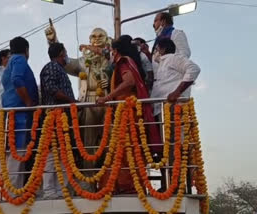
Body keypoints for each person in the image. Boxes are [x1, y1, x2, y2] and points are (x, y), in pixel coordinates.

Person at [45, 24, 112, 192]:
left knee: (110, 142)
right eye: (93, 37)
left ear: (107, 39)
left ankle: (109, 182)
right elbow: (64, 62)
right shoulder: (82, 61)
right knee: (87, 144)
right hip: (88, 102)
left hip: (108, 103)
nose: (96, 40)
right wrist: (53, 40)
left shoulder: (111, 58)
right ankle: (88, 182)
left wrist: (109, 82)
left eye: (100, 36)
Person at [97, 35, 162, 194]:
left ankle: (126, 186)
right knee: (127, 149)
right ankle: (126, 185)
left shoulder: (123, 62)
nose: (111, 54)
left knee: (126, 149)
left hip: (127, 112)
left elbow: (129, 81)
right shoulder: (131, 61)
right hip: (127, 111)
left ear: (116, 51)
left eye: (112, 50)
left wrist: (107, 97)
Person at [1, 36, 39, 191]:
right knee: (17, 155)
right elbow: (17, 80)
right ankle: (13, 194)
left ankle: (16, 192)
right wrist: (28, 102)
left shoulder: (10, 63)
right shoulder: (19, 60)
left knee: (16, 155)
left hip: (14, 114)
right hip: (20, 115)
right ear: (27, 50)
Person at [40, 43, 76, 199]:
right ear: (61, 53)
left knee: (62, 153)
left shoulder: (60, 69)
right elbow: (51, 89)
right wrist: (72, 101)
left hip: (63, 116)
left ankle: (61, 190)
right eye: (66, 52)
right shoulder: (51, 67)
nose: (67, 55)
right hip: (53, 116)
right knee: (51, 153)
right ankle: (49, 190)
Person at [151, 38, 200, 115]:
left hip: (174, 107)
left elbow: (193, 69)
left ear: (163, 50)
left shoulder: (173, 58)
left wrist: (177, 92)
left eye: (156, 50)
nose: (154, 54)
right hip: (161, 108)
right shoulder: (161, 64)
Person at [151, 12, 191, 79]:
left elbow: (184, 53)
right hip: (158, 80)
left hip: (172, 79)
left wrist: (170, 70)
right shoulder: (158, 41)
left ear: (163, 21)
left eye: (155, 21)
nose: (153, 24)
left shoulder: (176, 33)